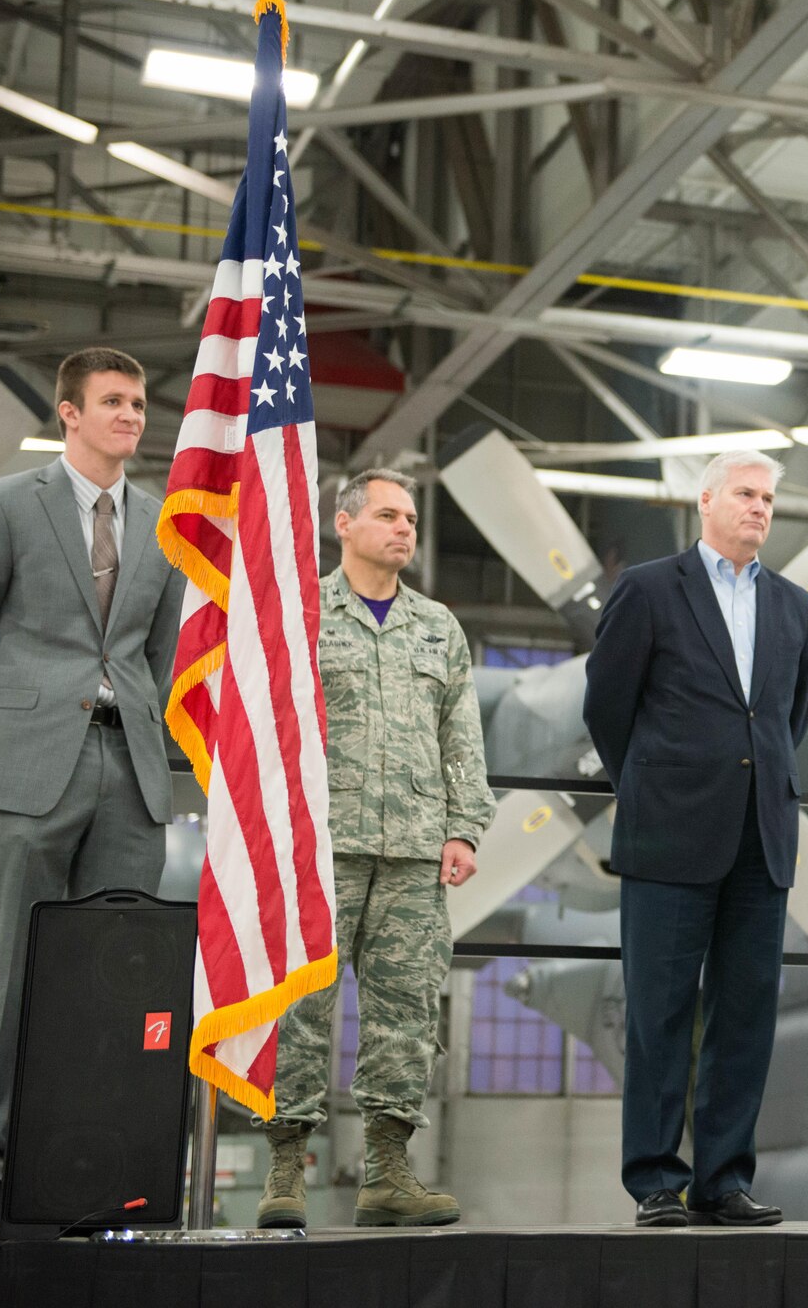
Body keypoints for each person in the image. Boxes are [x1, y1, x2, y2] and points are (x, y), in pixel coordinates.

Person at [0, 348, 185, 1234]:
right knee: (9, 968)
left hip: (128, 770)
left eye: (138, 402)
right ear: (69, 415)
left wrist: (145, 740)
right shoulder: (6, 503)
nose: (131, 415)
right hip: (25, 765)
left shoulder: (162, 525)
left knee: (116, 979)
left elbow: (157, 661)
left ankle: (87, 1165)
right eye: (114, 401)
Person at [583, 450, 808, 1229]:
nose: (760, 507)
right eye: (746, 494)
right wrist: (653, 786)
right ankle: (657, 1179)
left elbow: (790, 719)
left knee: (745, 1013)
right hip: (669, 834)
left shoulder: (793, 605)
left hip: (762, 835)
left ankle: (723, 1179)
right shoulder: (649, 588)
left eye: (769, 497)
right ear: (706, 500)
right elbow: (606, 707)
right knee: (659, 1011)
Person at [258, 468, 493, 1230]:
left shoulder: (438, 627)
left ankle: (388, 1172)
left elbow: (462, 733)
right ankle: (284, 1172)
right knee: (301, 1007)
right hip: (320, 846)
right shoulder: (302, 612)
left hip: (416, 849)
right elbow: (268, 724)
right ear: (344, 523)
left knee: (407, 1015)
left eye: (413, 519)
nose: (404, 529)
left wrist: (465, 826)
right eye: (389, 514)